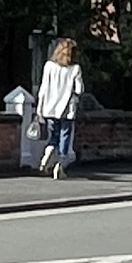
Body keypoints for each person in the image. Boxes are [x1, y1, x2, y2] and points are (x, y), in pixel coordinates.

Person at [34, 35, 84, 176]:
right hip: (67, 109)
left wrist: (40, 109)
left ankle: (46, 156)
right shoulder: (75, 69)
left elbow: (43, 88)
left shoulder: (49, 66)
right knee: (65, 136)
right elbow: (79, 90)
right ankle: (60, 166)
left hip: (49, 108)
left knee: (54, 136)